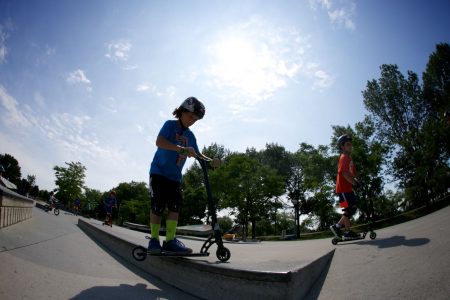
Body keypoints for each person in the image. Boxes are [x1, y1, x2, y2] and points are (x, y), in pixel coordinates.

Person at [148, 97, 220, 254]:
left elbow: (198, 154)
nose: (192, 121)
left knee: (175, 207)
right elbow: (160, 142)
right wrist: (182, 149)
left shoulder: (191, 136)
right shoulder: (170, 125)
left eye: (196, 119)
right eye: (190, 117)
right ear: (182, 112)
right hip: (159, 172)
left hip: (175, 178)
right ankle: (154, 240)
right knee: (158, 205)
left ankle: (170, 240)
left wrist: (210, 161)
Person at [330, 134, 360, 239]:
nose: (350, 146)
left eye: (351, 144)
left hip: (347, 190)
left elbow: (354, 174)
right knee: (349, 209)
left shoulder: (350, 159)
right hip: (343, 190)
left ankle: (339, 227)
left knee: (350, 209)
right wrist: (355, 183)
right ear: (342, 147)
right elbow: (344, 173)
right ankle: (344, 230)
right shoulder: (344, 157)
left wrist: (359, 181)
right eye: (348, 144)